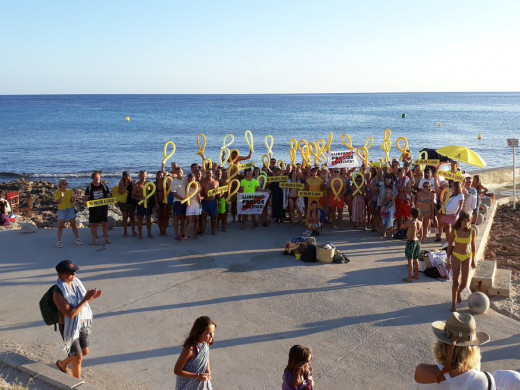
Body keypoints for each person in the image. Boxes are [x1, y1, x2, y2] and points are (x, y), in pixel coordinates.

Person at [412, 312, 492, 389]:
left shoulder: (422, 371)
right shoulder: (486, 381)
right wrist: (476, 369)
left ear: (441, 344)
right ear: (473, 349)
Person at [53, 260, 102, 379]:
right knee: (78, 357)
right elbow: (70, 314)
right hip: (68, 327)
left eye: (74, 272)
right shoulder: (57, 293)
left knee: (84, 352)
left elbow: (81, 303)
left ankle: (62, 364)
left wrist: (91, 298)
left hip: (81, 322)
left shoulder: (76, 283)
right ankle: (76, 383)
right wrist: (86, 299)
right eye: (70, 273)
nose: (74, 275)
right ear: (60, 275)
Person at [174, 316, 216, 390]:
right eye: (209, 333)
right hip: (188, 386)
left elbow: (205, 357)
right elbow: (177, 370)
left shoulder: (206, 343)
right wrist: (198, 376)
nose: (212, 336)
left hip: (202, 384)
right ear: (199, 333)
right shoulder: (190, 349)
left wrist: (208, 372)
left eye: (213, 332)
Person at [447, 211, 476, 312]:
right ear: (460, 221)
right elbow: (450, 246)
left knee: (464, 283)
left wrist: (473, 260)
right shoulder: (454, 231)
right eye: (464, 221)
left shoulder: (472, 231)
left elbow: (473, 246)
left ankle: (458, 293)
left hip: (467, 257)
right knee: (455, 282)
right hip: (456, 256)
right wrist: (447, 261)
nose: (467, 223)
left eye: (468, 221)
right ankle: (453, 304)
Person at [54, 179, 82, 248]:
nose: (66, 185)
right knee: (60, 226)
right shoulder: (57, 192)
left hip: (70, 209)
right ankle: (59, 241)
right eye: (64, 184)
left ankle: (77, 239)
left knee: (73, 225)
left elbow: (72, 201)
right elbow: (58, 202)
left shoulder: (70, 191)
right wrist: (62, 196)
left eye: (66, 184)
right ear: (60, 185)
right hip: (62, 210)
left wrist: (74, 197)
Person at [84, 171, 110, 247]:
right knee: (94, 225)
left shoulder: (104, 186)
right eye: (95, 178)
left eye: (98, 177)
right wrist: (85, 203)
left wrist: (110, 199)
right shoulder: (89, 188)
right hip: (93, 209)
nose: (97, 179)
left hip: (103, 208)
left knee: (104, 224)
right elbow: (86, 199)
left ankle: (106, 240)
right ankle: (93, 241)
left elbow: (108, 195)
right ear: (92, 179)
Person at [132, 170, 154, 240]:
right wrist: (140, 199)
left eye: (144, 175)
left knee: (148, 218)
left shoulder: (149, 184)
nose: (143, 176)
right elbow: (132, 196)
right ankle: (140, 234)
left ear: (146, 175)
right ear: (139, 176)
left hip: (148, 204)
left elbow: (154, 193)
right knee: (140, 219)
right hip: (140, 204)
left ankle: (149, 233)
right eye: (142, 175)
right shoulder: (136, 185)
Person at [403, 207, 423, 282]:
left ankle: (410, 277)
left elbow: (404, 227)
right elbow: (421, 234)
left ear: (411, 214)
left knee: (410, 260)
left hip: (411, 241)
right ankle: (416, 275)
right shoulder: (420, 222)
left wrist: (408, 219)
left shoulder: (411, 222)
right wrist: (420, 242)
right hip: (417, 241)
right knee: (416, 259)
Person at [200, 168, 219, 235]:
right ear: (205, 174)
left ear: (212, 174)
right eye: (207, 173)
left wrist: (218, 202)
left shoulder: (216, 181)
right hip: (205, 202)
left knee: (214, 217)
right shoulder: (202, 181)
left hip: (213, 202)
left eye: (210, 173)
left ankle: (213, 230)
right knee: (203, 217)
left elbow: (218, 193)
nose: (209, 174)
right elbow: (200, 193)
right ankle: (203, 231)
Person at [117, 172, 136, 237]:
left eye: (127, 176)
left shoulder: (132, 182)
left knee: (132, 217)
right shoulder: (121, 183)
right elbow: (121, 192)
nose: (126, 178)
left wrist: (133, 186)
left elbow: (134, 192)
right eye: (125, 177)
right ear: (123, 177)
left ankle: (133, 231)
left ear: (129, 176)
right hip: (123, 202)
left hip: (131, 202)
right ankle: (125, 232)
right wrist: (126, 186)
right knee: (125, 217)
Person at [172, 167, 188, 241]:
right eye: (178, 172)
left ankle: (182, 232)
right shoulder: (174, 181)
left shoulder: (185, 178)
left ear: (183, 172)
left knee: (183, 218)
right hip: (177, 202)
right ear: (176, 173)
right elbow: (174, 193)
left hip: (185, 202)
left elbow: (193, 177)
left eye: (180, 172)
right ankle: (176, 234)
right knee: (176, 218)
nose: (179, 173)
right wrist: (182, 199)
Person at [155, 171, 171, 236]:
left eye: (161, 175)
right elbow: (154, 195)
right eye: (158, 175)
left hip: (165, 202)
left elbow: (168, 193)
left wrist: (166, 202)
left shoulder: (165, 184)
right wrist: (156, 203)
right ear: (156, 176)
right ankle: (160, 231)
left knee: (164, 217)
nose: (160, 176)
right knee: (159, 218)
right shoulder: (154, 184)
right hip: (158, 202)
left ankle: (164, 231)